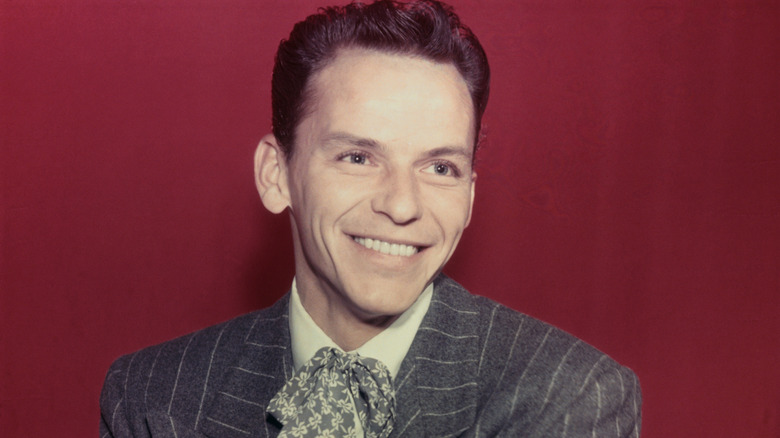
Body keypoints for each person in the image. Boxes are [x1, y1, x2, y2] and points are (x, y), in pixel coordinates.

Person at [99, 1, 642, 437]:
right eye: (358, 157)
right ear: (276, 174)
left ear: (470, 196)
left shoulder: (570, 395)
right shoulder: (151, 397)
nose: (402, 206)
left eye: (441, 167)